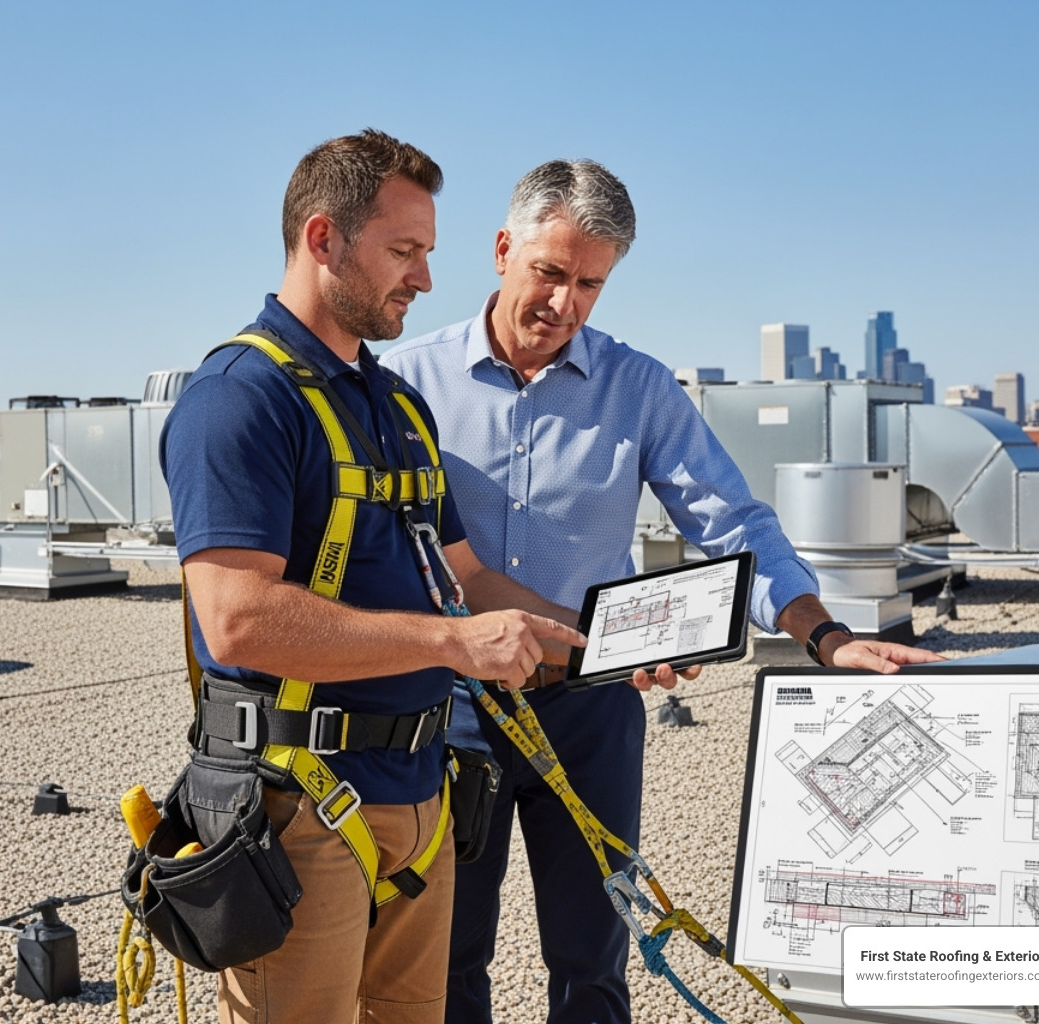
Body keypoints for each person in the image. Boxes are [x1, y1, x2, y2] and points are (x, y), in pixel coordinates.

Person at [382, 158, 943, 1024]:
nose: (565, 305)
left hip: (593, 712)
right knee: (450, 957)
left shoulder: (637, 387)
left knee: (596, 955)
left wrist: (824, 634)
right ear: (502, 250)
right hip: (453, 714)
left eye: (591, 285)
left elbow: (734, 522)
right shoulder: (404, 382)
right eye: (550, 273)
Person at [158, 131, 586, 1024]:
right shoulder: (239, 399)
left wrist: (604, 639)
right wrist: (453, 643)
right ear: (323, 239)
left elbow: (462, 578)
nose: (425, 280)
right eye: (403, 251)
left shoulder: (396, 406)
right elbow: (236, 620)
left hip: (421, 799)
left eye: (426, 253)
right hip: (301, 805)